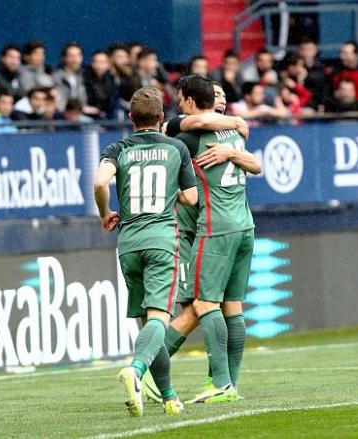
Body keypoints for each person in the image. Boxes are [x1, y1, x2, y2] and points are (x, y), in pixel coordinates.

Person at [140, 81, 258, 404]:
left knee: (202, 305)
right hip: (243, 225)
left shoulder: (187, 137)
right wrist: (235, 133)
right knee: (226, 306)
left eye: (180, 100)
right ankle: (227, 384)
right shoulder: (233, 132)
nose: (178, 106)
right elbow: (256, 164)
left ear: (190, 101)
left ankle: (204, 379)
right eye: (216, 94)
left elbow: (184, 134)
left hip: (212, 228)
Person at [93, 86, 198, 416]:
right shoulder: (176, 148)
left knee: (147, 324)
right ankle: (136, 371)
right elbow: (192, 198)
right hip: (161, 241)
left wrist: (104, 213)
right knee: (160, 318)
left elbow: (99, 183)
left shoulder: (118, 148)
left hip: (128, 244)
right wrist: (172, 194)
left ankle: (168, 396)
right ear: (161, 118)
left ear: (130, 118)